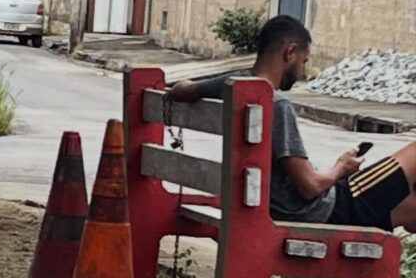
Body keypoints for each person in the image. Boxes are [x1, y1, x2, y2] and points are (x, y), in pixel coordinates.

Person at [168, 15, 416, 232]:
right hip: (326, 211)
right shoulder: (276, 104)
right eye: (304, 61)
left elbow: (181, 89)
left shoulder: (235, 83)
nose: (302, 70)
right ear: (290, 52)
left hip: (284, 209)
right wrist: (341, 167)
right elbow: (309, 187)